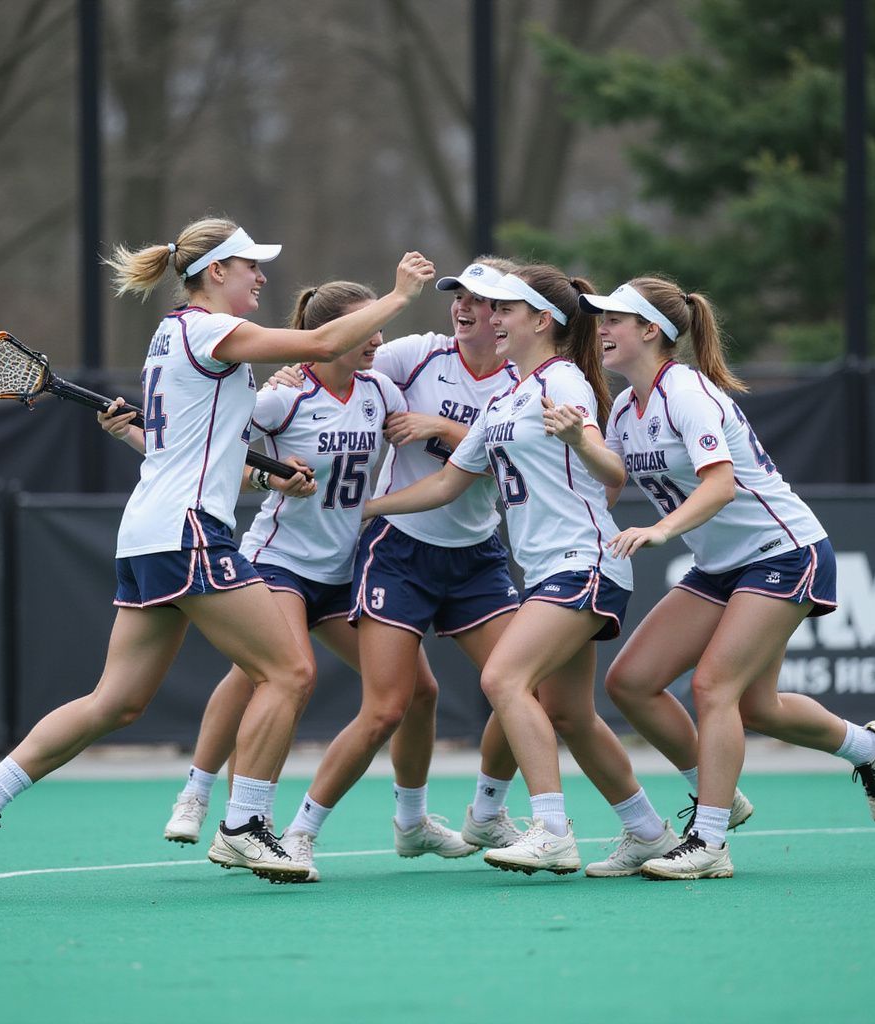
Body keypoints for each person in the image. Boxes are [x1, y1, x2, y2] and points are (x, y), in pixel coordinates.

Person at [0, 217, 435, 889]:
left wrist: (262, 475)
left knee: (117, 701)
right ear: (216, 271)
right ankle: (244, 826)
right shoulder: (208, 330)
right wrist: (399, 295)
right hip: (189, 530)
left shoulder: (173, 332)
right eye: (250, 265)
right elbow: (322, 340)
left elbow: (196, 450)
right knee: (288, 670)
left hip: (150, 530)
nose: (262, 276)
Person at [102, 280, 439, 882]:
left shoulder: (381, 390)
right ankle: (211, 802)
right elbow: (197, 455)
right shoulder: (279, 399)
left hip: (341, 571)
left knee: (417, 690)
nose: (377, 342)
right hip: (279, 560)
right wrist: (137, 433)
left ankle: (411, 820)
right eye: (367, 330)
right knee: (272, 677)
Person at [574, 277, 875, 880]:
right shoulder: (625, 407)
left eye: (614, 319)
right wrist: (571, 441)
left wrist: (660, 531)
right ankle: (866, 747)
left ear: (651, 330)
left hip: (785, 550)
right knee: (641, 683)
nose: (601, 330)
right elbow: (614, 475)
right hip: (723, 565)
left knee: (714, 688)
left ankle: (710, 840)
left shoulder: (688, 393)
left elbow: (720, 483)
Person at [363, 265, 680, 877]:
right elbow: (449, 483)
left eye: (506, 308)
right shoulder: (507, 395)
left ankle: (551, 828)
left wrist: (584, 444)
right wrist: (361, 509)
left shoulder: (564, 381)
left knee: (504, 678)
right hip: (550, 571)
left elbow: (613, 473)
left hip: (583, 563)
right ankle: (646, 830)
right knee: (568, 713)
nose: (492, 317)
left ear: (541, 320)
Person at [275, 259, 536, 875]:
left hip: (477, 557)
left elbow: (519, 462)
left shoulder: (530, 380)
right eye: (460, 296)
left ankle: (486, 812)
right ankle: (300, 833)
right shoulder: (416, 355)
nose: (466, 307)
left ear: (509, 314)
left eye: (485, 300)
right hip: (399, 550)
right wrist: (295, 371)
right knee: (390, 706)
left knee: (527, 689)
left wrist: (443, 427)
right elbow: (336, 358)